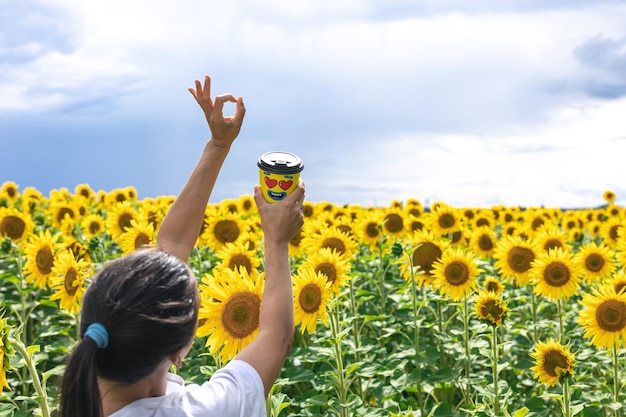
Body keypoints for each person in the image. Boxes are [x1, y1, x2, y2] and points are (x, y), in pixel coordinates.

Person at [58, 75, 305, 417]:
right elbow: (276, 336)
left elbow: (172, 245)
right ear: (180, 353)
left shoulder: (80, 400)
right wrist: (277, 240)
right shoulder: (204, 411)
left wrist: (218, 146)